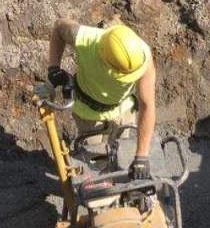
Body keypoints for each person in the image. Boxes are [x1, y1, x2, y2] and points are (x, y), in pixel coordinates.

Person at [47, 18, 156, 179]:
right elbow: (59, 27)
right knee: (97, 169)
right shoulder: (86, 38)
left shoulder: (143, 57)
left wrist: (141, 156)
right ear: (104, 60)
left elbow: (147, 105)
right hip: (89, 113)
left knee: (121, 161)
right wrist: (54, 67)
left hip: (123, 110)